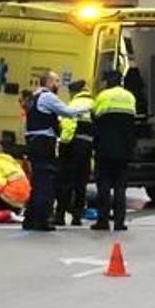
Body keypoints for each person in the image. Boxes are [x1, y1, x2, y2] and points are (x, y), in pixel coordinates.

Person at [22, 71, 88, 231]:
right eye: (56, 81)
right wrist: (87, 107)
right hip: (44, 143)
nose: (58, 84)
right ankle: (43, 220)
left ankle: (30, 219)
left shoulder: (32, 97)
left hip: (33, 142)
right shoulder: (47, 97)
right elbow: (67, 112)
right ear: (49, 82)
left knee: (37, 183)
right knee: (45, 183)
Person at [91, 70, 136, 231]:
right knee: (120, 187)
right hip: (124, 151)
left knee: (103, 186)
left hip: (104, 150)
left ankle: (102, 220)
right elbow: (132, 125)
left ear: (107, 82)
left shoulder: (103, 96)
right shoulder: (130, 97)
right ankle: (119, 222)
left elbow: (94, 119)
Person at [54, 80, 95, 226]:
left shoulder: (73, 105)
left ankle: (60, 215)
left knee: (66, 183)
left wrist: (63, 145)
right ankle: (77, 217)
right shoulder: (94, 104)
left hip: (72, 147)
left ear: (73, 92)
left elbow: (68, 126)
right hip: (87, 148)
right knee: (81, 184)